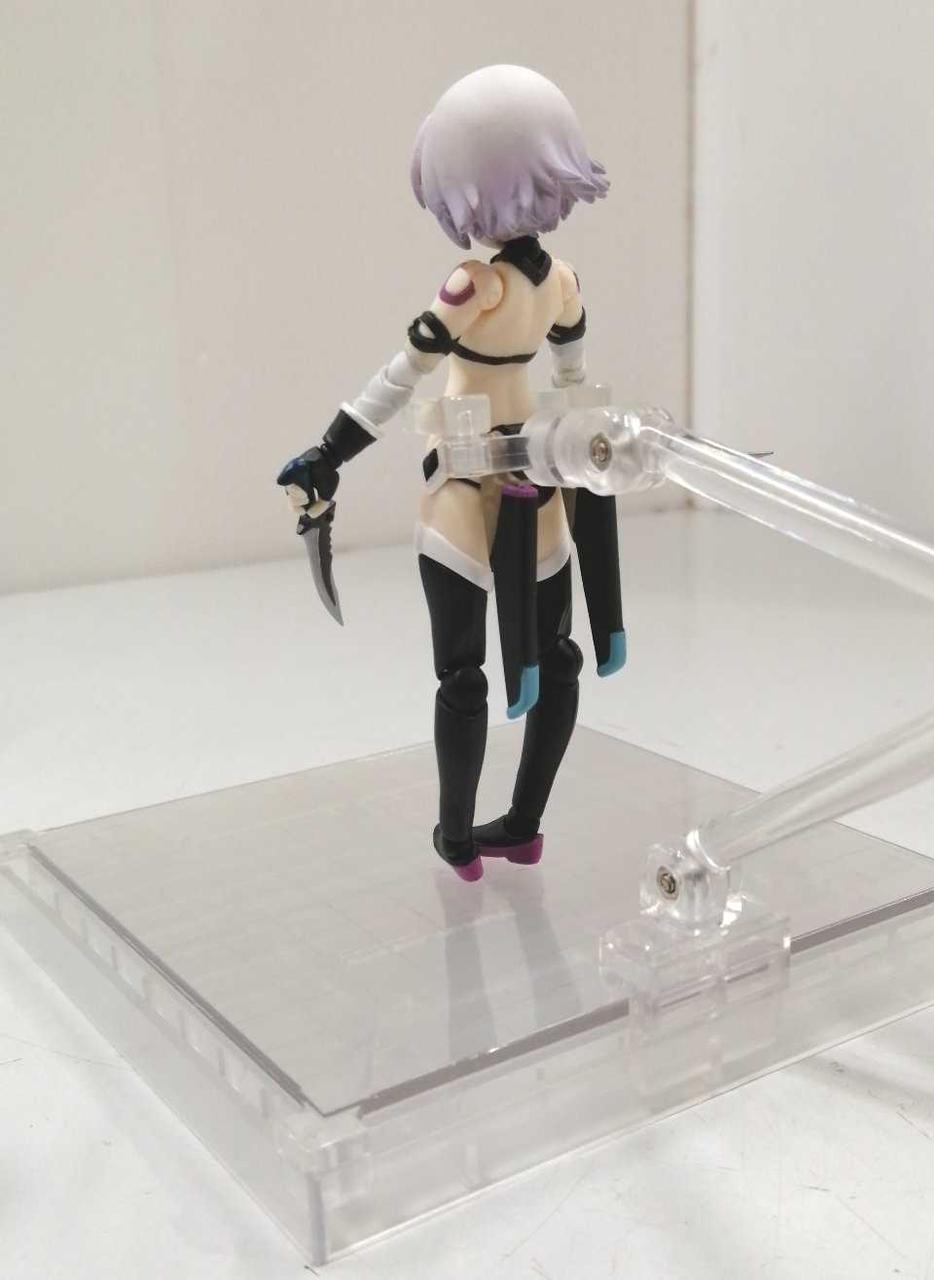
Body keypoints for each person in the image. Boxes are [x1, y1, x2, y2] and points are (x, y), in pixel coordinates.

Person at [278, 65, 624, 881]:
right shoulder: (562, 283)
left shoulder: (476, 284)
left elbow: (402, 376)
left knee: (470, 675)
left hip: (471, 488)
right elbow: (573, 376)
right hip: (532, 482)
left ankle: (460, 836)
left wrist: (328, 452)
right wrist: (576, 433)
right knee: (554, 657)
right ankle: (520, 827)